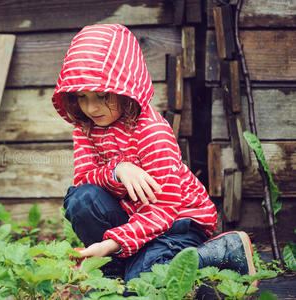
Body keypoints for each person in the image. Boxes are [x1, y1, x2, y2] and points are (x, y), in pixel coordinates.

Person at [51, 24, 256, 284]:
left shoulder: (152, 131)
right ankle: (114, 270)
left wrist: (112, 243)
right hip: (131, 218)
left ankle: (218, 252)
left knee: (143, 282)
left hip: (176, 222)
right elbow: (83, 179)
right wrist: (119, 169)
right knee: (81, 199)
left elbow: (162, 210)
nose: (91, 107)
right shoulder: (85, 127)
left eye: (102, 95)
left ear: (125, 87)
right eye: (82, 96)